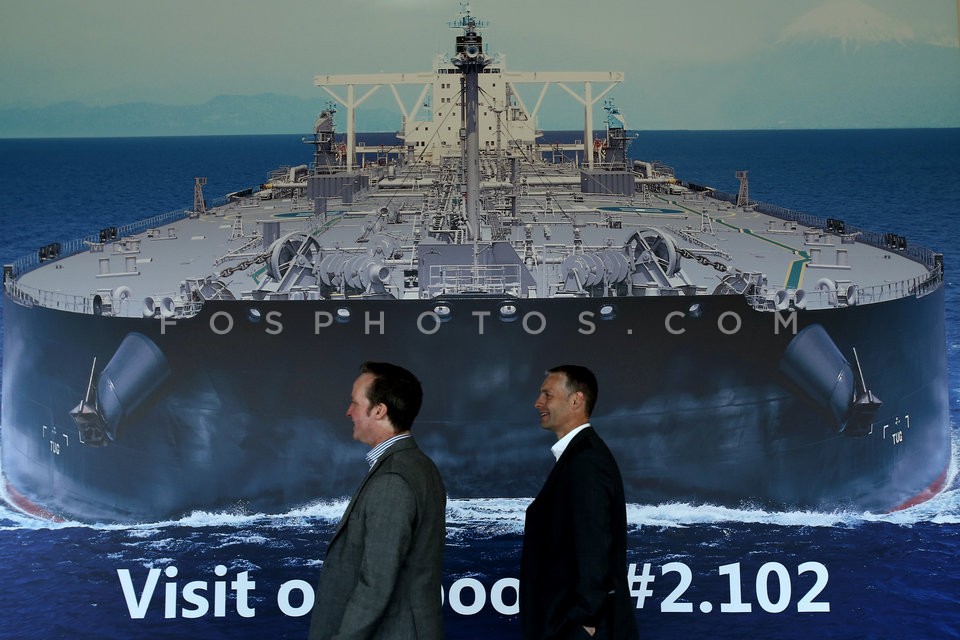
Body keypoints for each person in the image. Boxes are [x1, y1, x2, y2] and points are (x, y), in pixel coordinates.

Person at [308, 361, 446, 640]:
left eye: (355, 403)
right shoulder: (419, 465)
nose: (348, 412)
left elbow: (376, 585)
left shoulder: (393, 478)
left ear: (380, 410)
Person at [520, 365, 638, 640]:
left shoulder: (586, 462)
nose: (538, 403)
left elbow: (594, 543)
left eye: (547, 395)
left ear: (576, 400)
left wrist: (584, 620)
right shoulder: (581, 457)